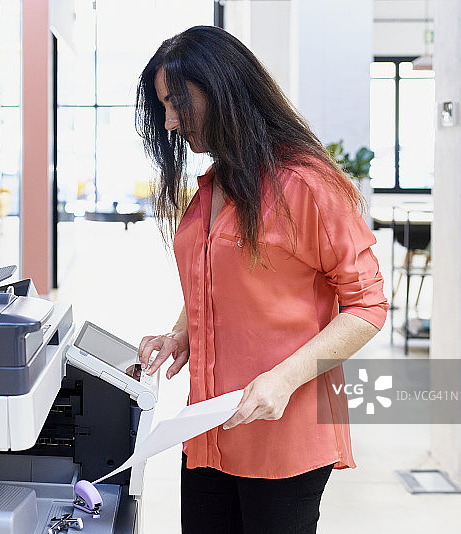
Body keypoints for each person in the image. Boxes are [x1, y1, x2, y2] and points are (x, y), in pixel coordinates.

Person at [135, 26, 388, 534]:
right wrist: (182, 332)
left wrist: (284, 378)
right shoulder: (215, 183)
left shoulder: (307, 185)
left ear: (223, 90)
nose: (169, 122)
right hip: (208, 428)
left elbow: (368, 306)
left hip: (283, 431)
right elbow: (216, 274)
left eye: (178, 103)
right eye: (163, 107)